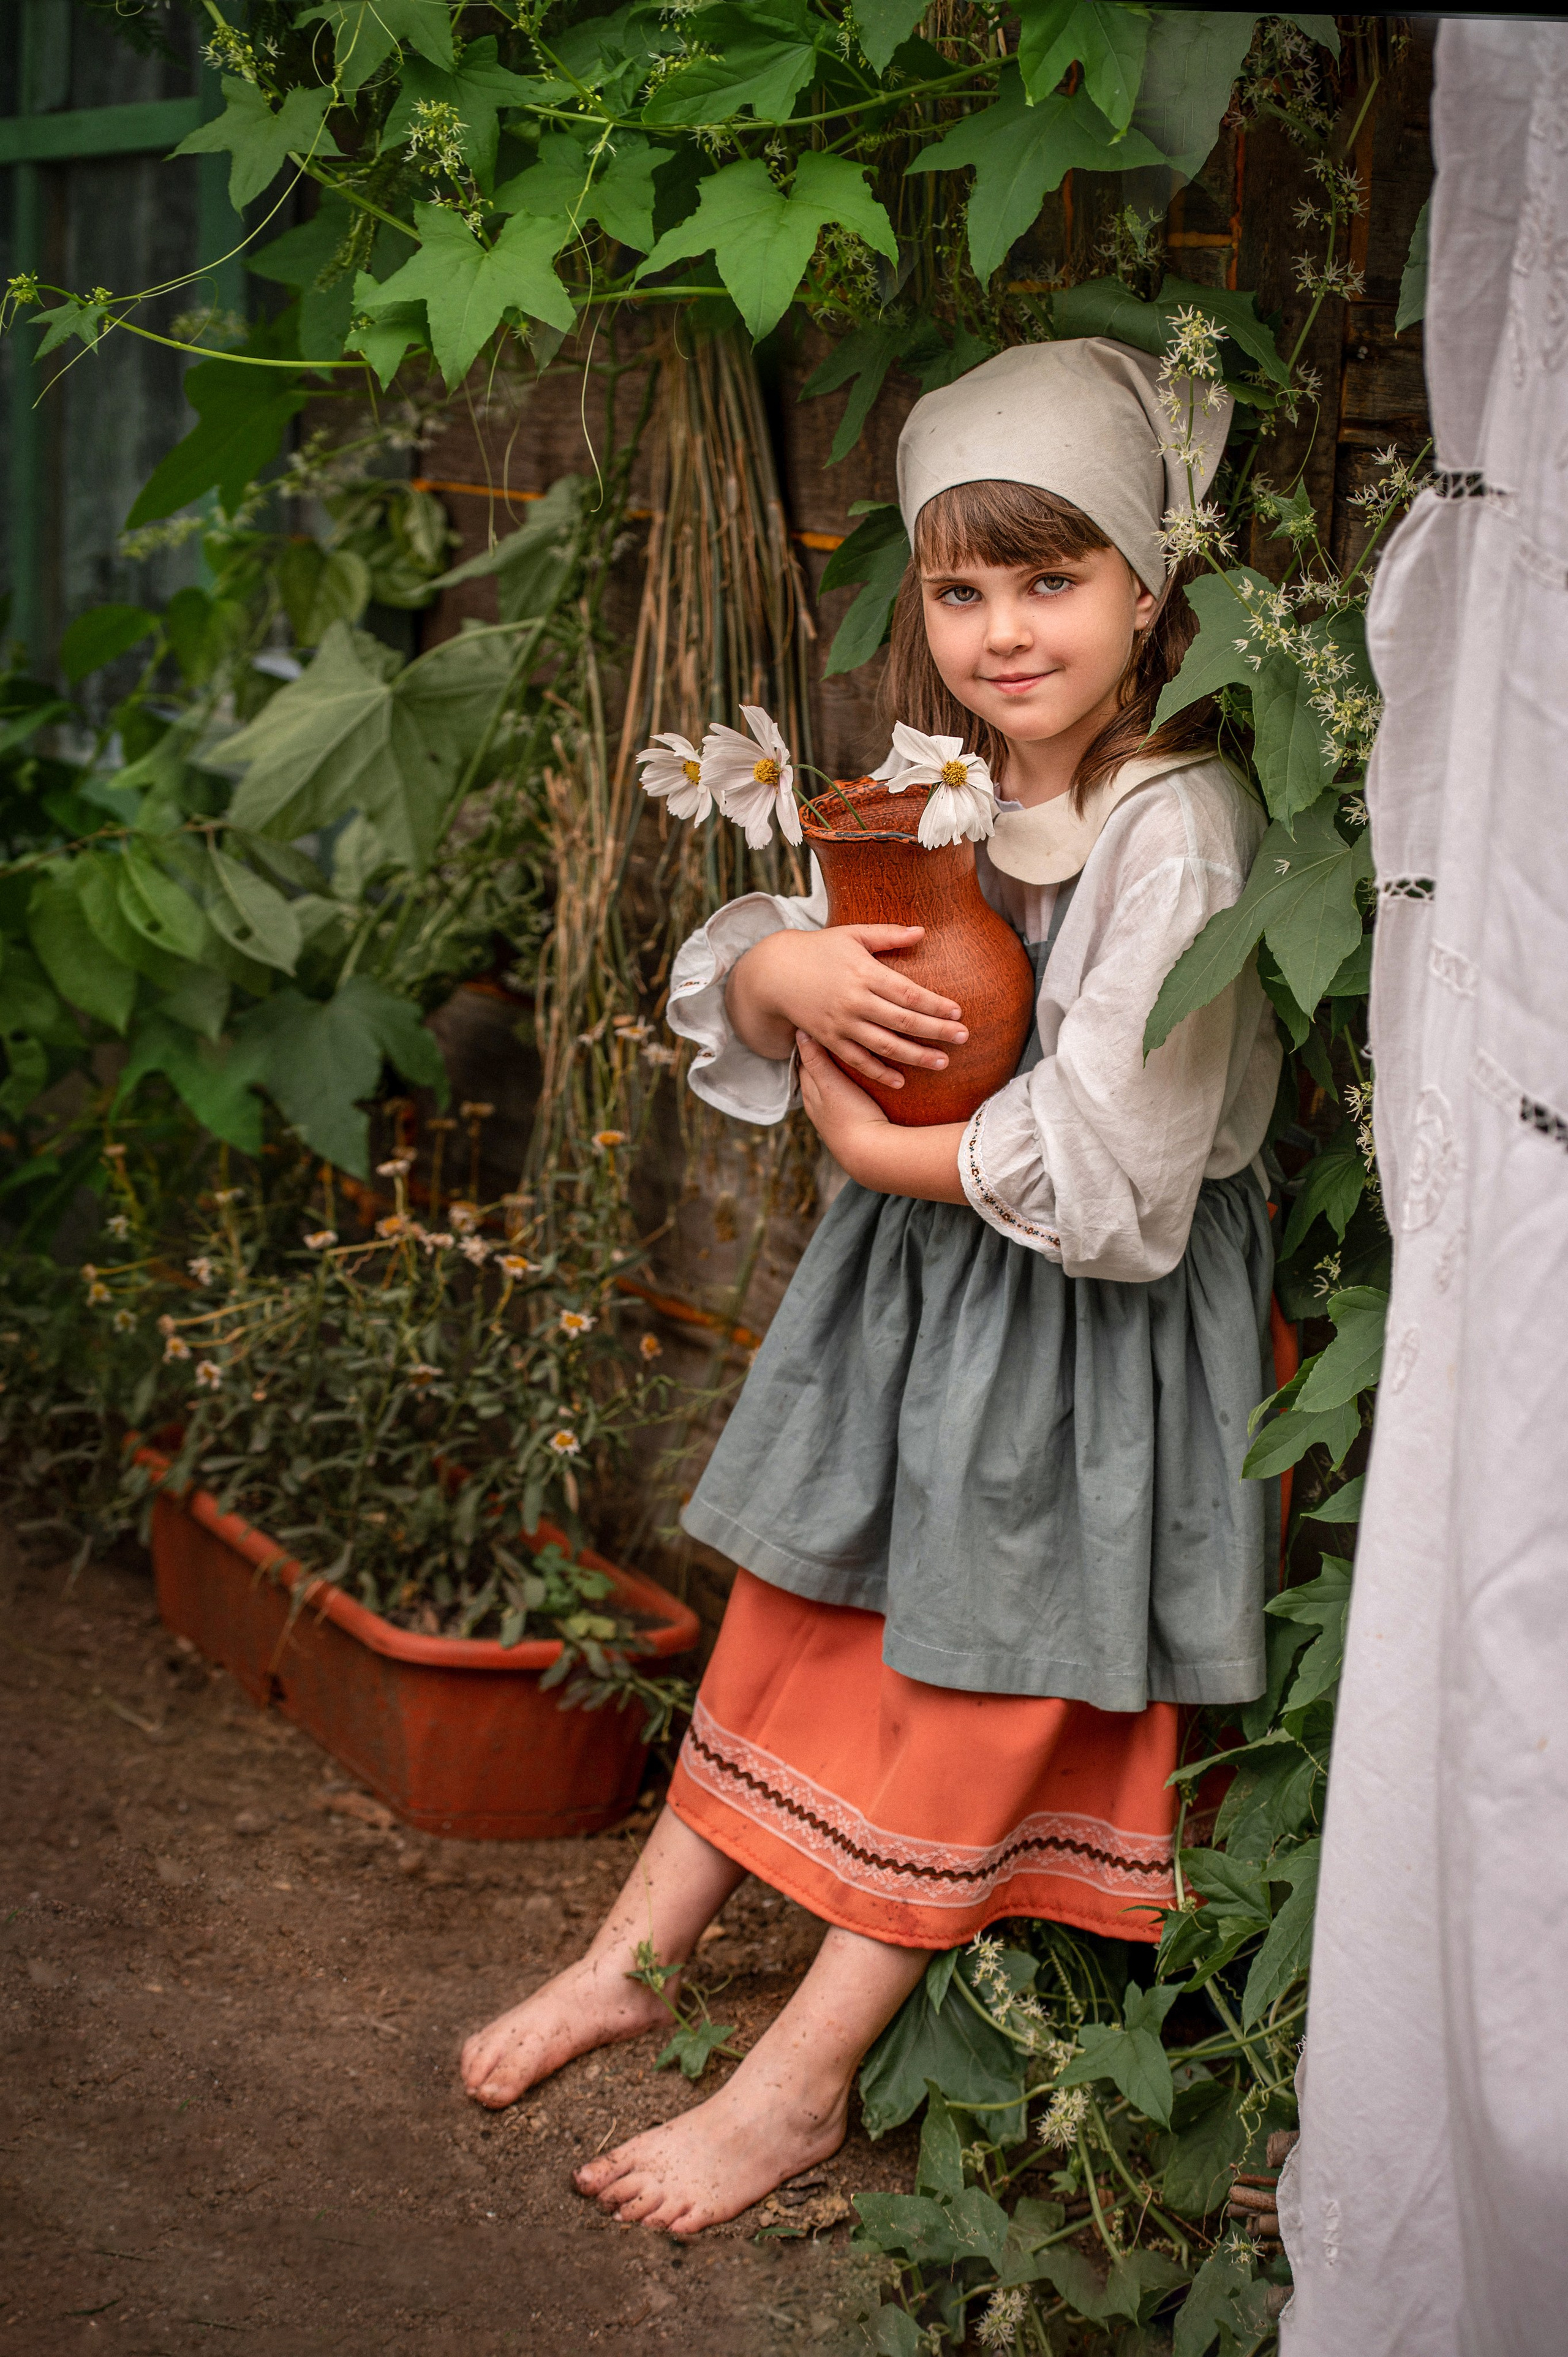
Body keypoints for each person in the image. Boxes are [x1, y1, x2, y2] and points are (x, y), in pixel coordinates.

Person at [459, 338, 1283, 2236]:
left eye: (1053, 581)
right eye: (961, 584)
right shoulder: (938, 785)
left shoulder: (1182, 825)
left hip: (1088, 1337)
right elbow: (789, 935)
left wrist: (873, 1154)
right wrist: (779, 986)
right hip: (921, 1309)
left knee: (985, 1684)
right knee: (799, 1616)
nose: (1003, 631)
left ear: (1153, 591)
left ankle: (798, 2080)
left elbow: (1119, 1164)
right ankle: (636, 1957)